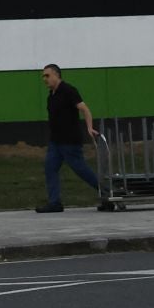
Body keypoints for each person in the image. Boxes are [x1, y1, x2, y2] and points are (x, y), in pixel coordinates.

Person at [35, 63, 99, 213]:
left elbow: (85, 109)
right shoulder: (51, 96)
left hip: (70, 141)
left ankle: (109, 192)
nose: (44, 79)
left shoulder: (69, 90)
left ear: (56, 75)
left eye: (47, 75)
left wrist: (89, 128)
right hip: (55, 142)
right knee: (50, 168)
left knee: (81, 170)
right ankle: (55, 203)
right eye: (43, 76)